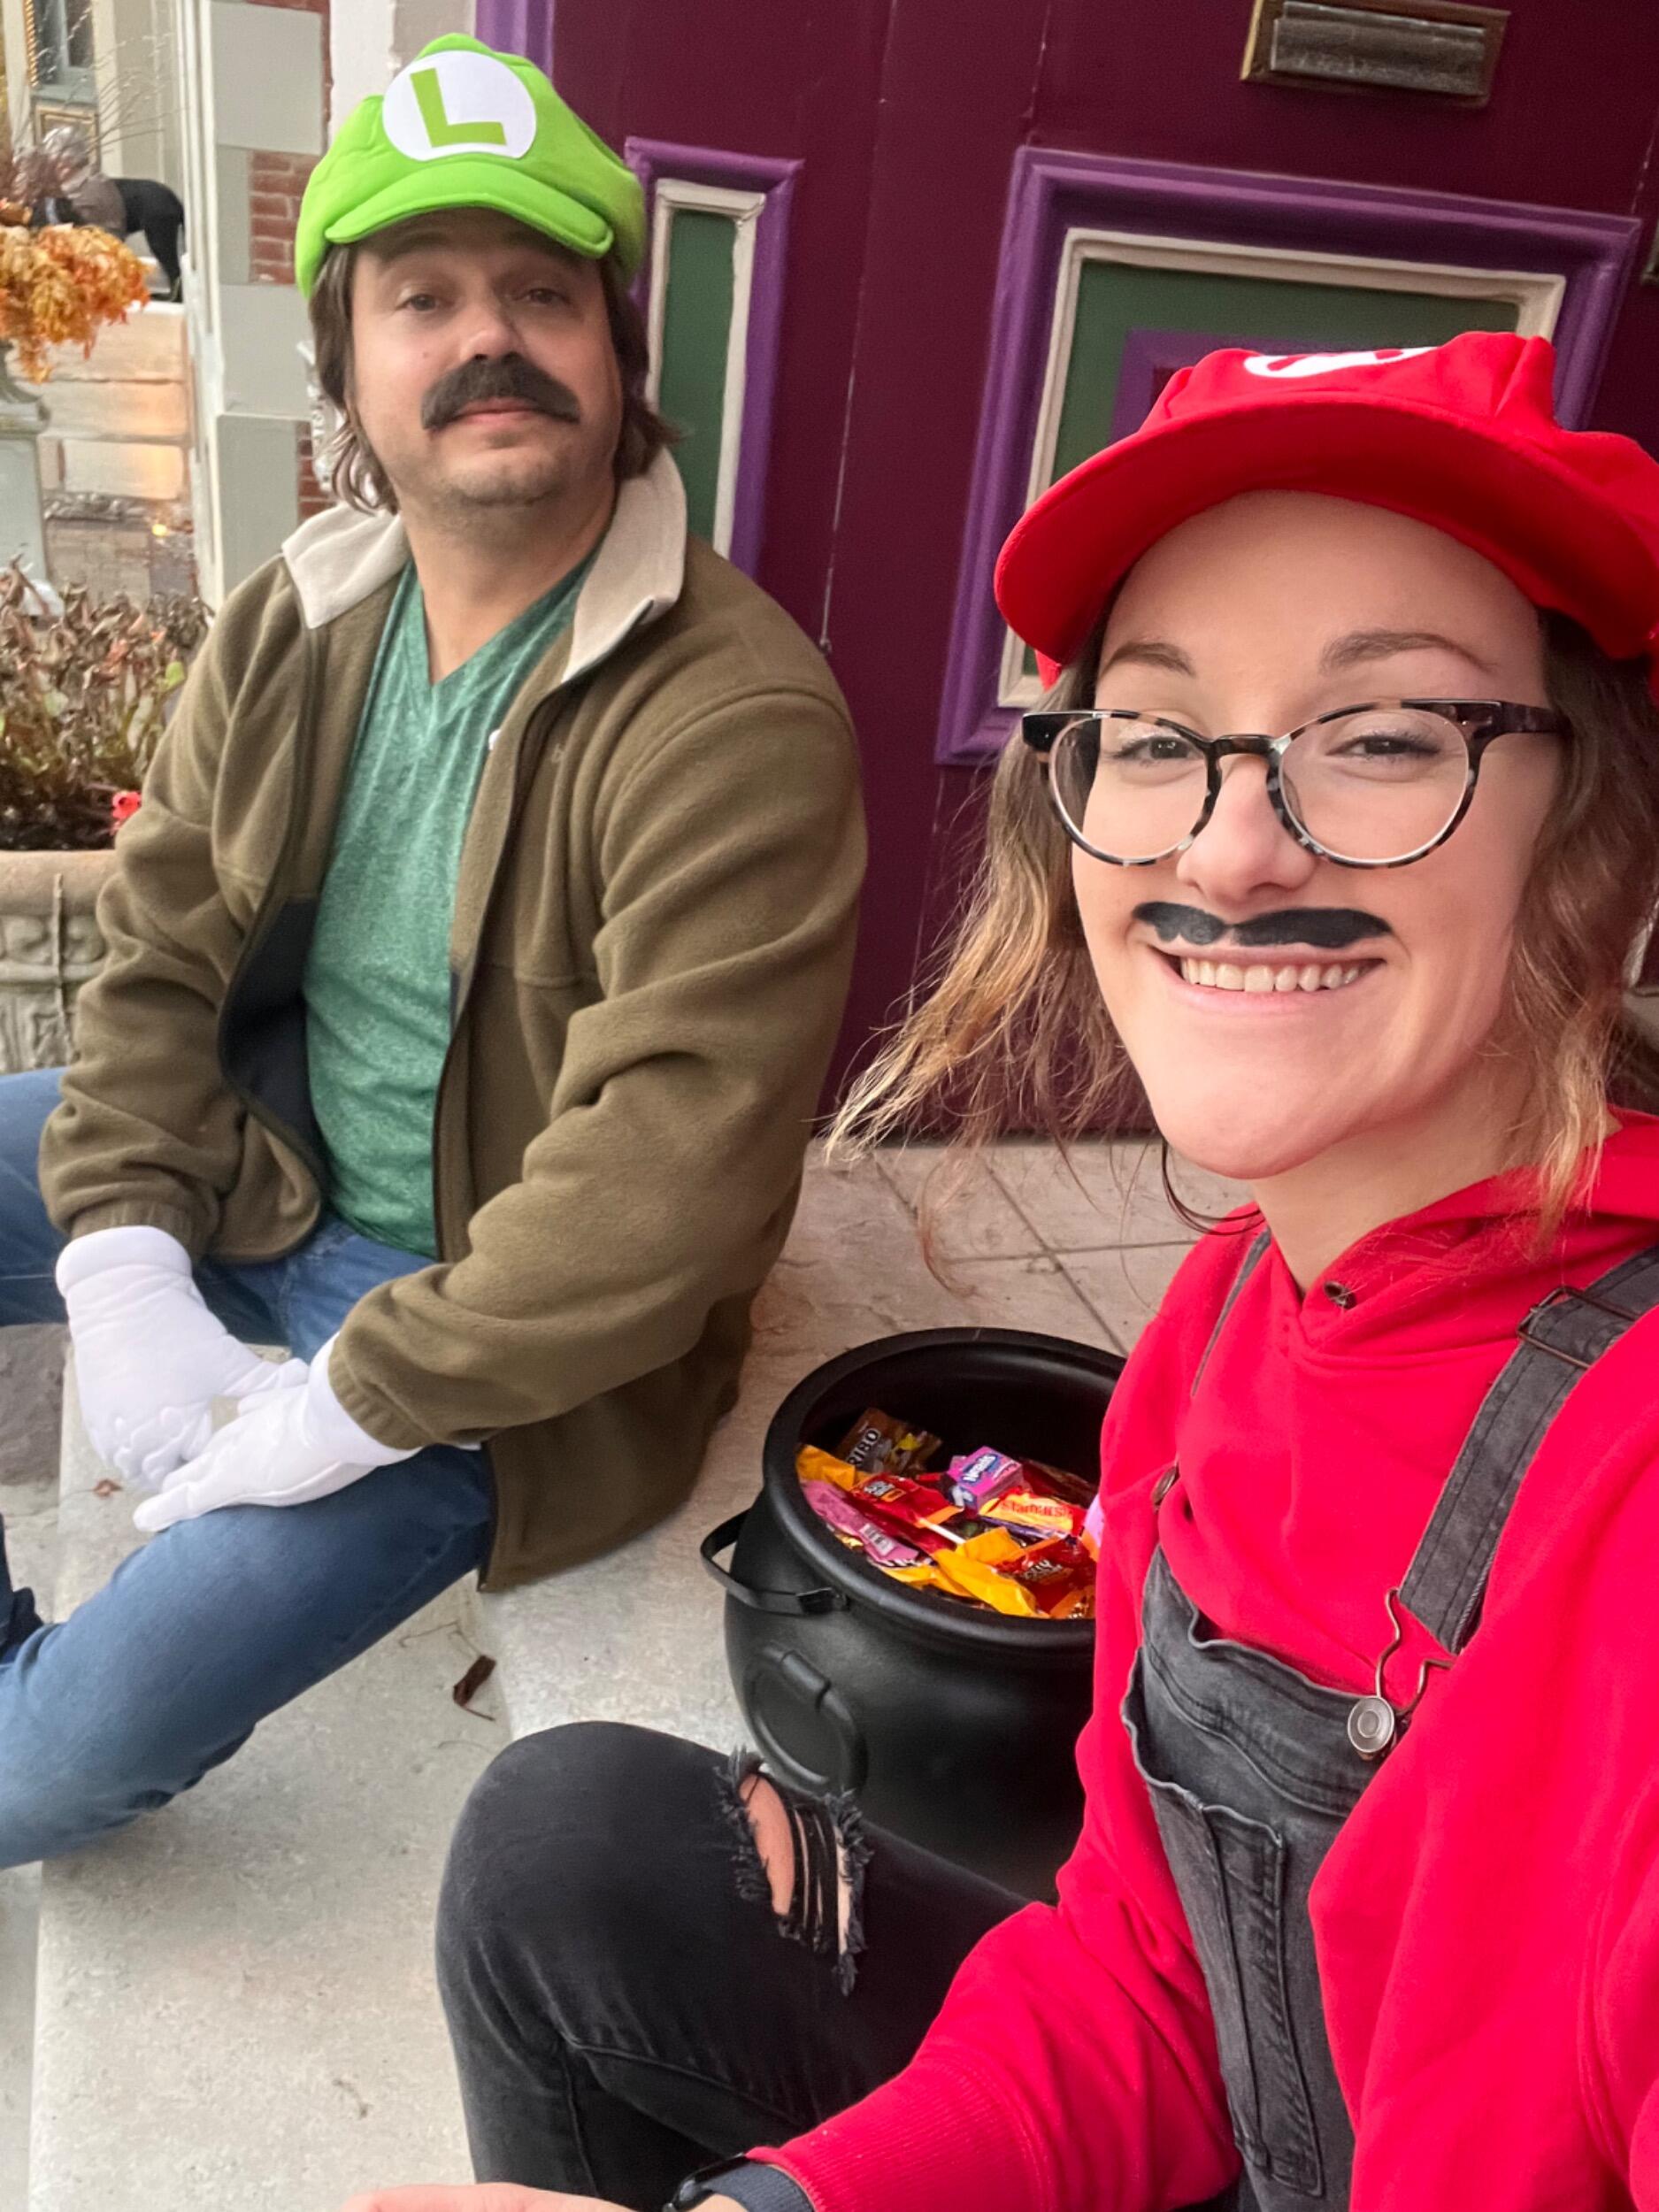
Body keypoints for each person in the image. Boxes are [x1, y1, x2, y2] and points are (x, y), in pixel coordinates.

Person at [352, 334, 1659, 2212]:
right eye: (1156, 733)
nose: (1230, 844)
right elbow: (1157, 1980)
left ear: (1594, 837)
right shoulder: (1222, 1323)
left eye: (1384, 735)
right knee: (571, 1843)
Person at [0, 35, 864, 1868]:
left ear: (616, 350)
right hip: (271, 1157)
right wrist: (128, 1249)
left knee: (39, 1771)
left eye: (543, 292)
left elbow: (668, 1177)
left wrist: (351, 1403)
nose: (490, 338)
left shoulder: (735, 715)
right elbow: (158, 949)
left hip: (492, 1324)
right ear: (347, 365)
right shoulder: (297, 616)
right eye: (424, 298)